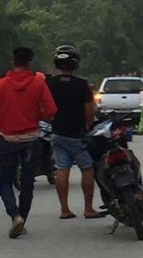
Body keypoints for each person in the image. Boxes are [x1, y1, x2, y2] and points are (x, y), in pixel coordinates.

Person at [0, 47, 57, 238]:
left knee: (5, 181)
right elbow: (51, 109)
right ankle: (22, 219)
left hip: (7, 139)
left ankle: (14, 215)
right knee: (27, 183)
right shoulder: (38, 83)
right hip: (32, 138)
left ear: (13, 62)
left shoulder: (2, 85)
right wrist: (35, 115)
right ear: (30, 63)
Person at [46, 45, 103, 220]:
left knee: (62, 168)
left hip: (57, 132)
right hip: (77, 133)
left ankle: (64, 209)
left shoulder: (49, 84)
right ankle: (88, 208)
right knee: (87, 168)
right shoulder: (81, 84)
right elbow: (89, 108)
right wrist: (88, 125)